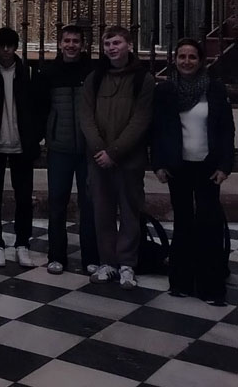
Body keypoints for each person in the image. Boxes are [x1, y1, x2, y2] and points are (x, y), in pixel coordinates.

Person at [152, 38, 234, 305]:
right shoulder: (166, 90)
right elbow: (157, 130)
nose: (186, 62)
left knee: (209, 223)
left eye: (192, 57)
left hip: (208, 166)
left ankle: (211, 285)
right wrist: (159, 163)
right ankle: (182, 280)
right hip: (179, 166)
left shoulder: (214, 88)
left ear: (201, 61)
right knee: (184, 222)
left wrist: (225, 165)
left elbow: (226, 129)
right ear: (175, 60)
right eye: (182, 57)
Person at [80, 26, 155, 290]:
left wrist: (114, 152)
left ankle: (127, 263)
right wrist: (100, 149)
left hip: (128, 158)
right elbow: (86, 116)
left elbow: (141, 119)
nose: (112, 48)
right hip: (98, 158)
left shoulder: (143, 79)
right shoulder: (95, 78)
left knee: (130, 210)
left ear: (129, 45)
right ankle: (108, 261)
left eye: (116, 43)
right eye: (107, 44)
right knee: (102, 211)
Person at [35, 23, 98, 275]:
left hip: (87, 148)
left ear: (83, 45)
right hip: (59, 148)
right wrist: (45, 136)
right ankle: (56, 255)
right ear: (60, 44)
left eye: (75, 41)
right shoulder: (48, 73)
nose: (71, 45)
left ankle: (91, 256)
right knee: (57, 202)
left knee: (89, 203)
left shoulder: (92, 72)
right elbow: (41, 108)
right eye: (67, 41)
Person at [0, 26, 39, 267]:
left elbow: (38, 106)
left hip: (22, 143)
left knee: (24, 197)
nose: (6, 50)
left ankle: (22, 243)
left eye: (10, 45)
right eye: (1, 46)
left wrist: (35, 135)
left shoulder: (27, 72)